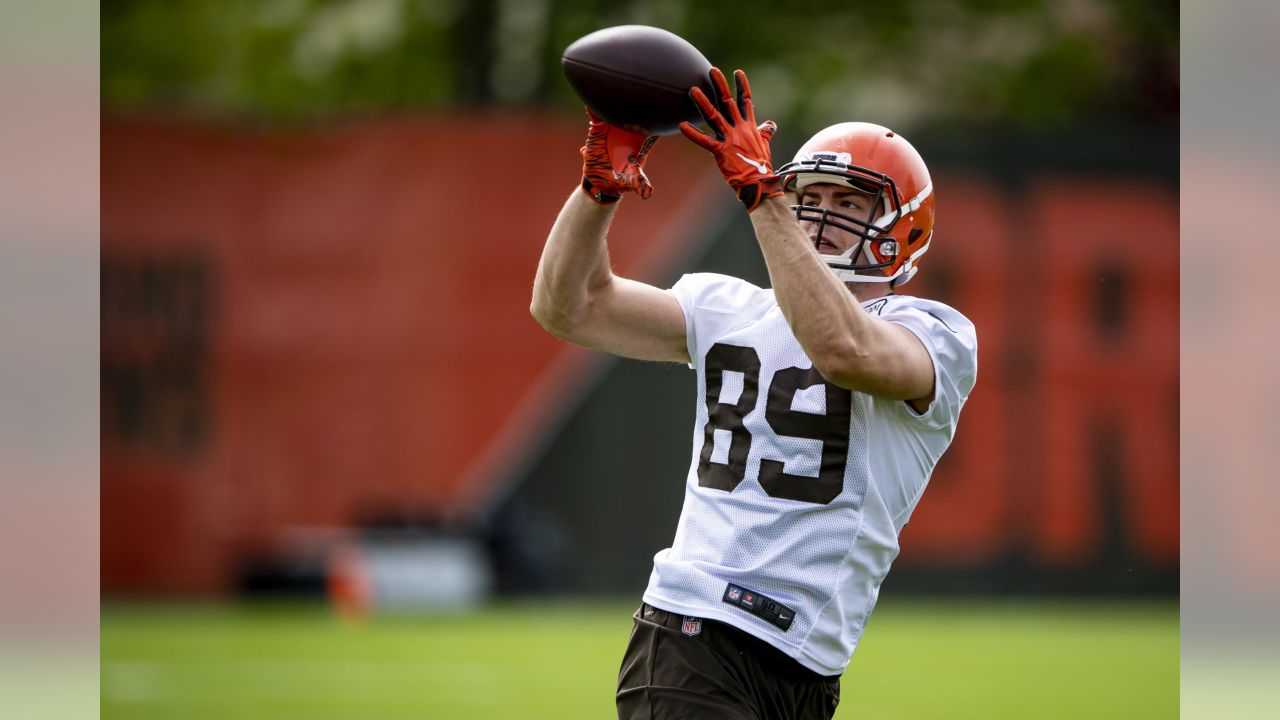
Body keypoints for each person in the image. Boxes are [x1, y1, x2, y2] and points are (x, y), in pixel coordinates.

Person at [530, 67, 977, 720]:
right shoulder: (727, 307)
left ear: (904, 226)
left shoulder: (935, 335)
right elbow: (569, 306)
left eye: (849, 202)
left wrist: (765, 199)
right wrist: (596, 191)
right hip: (695, 637)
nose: (822, 215)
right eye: (811, 195)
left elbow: (843, 350)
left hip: (807, 668)